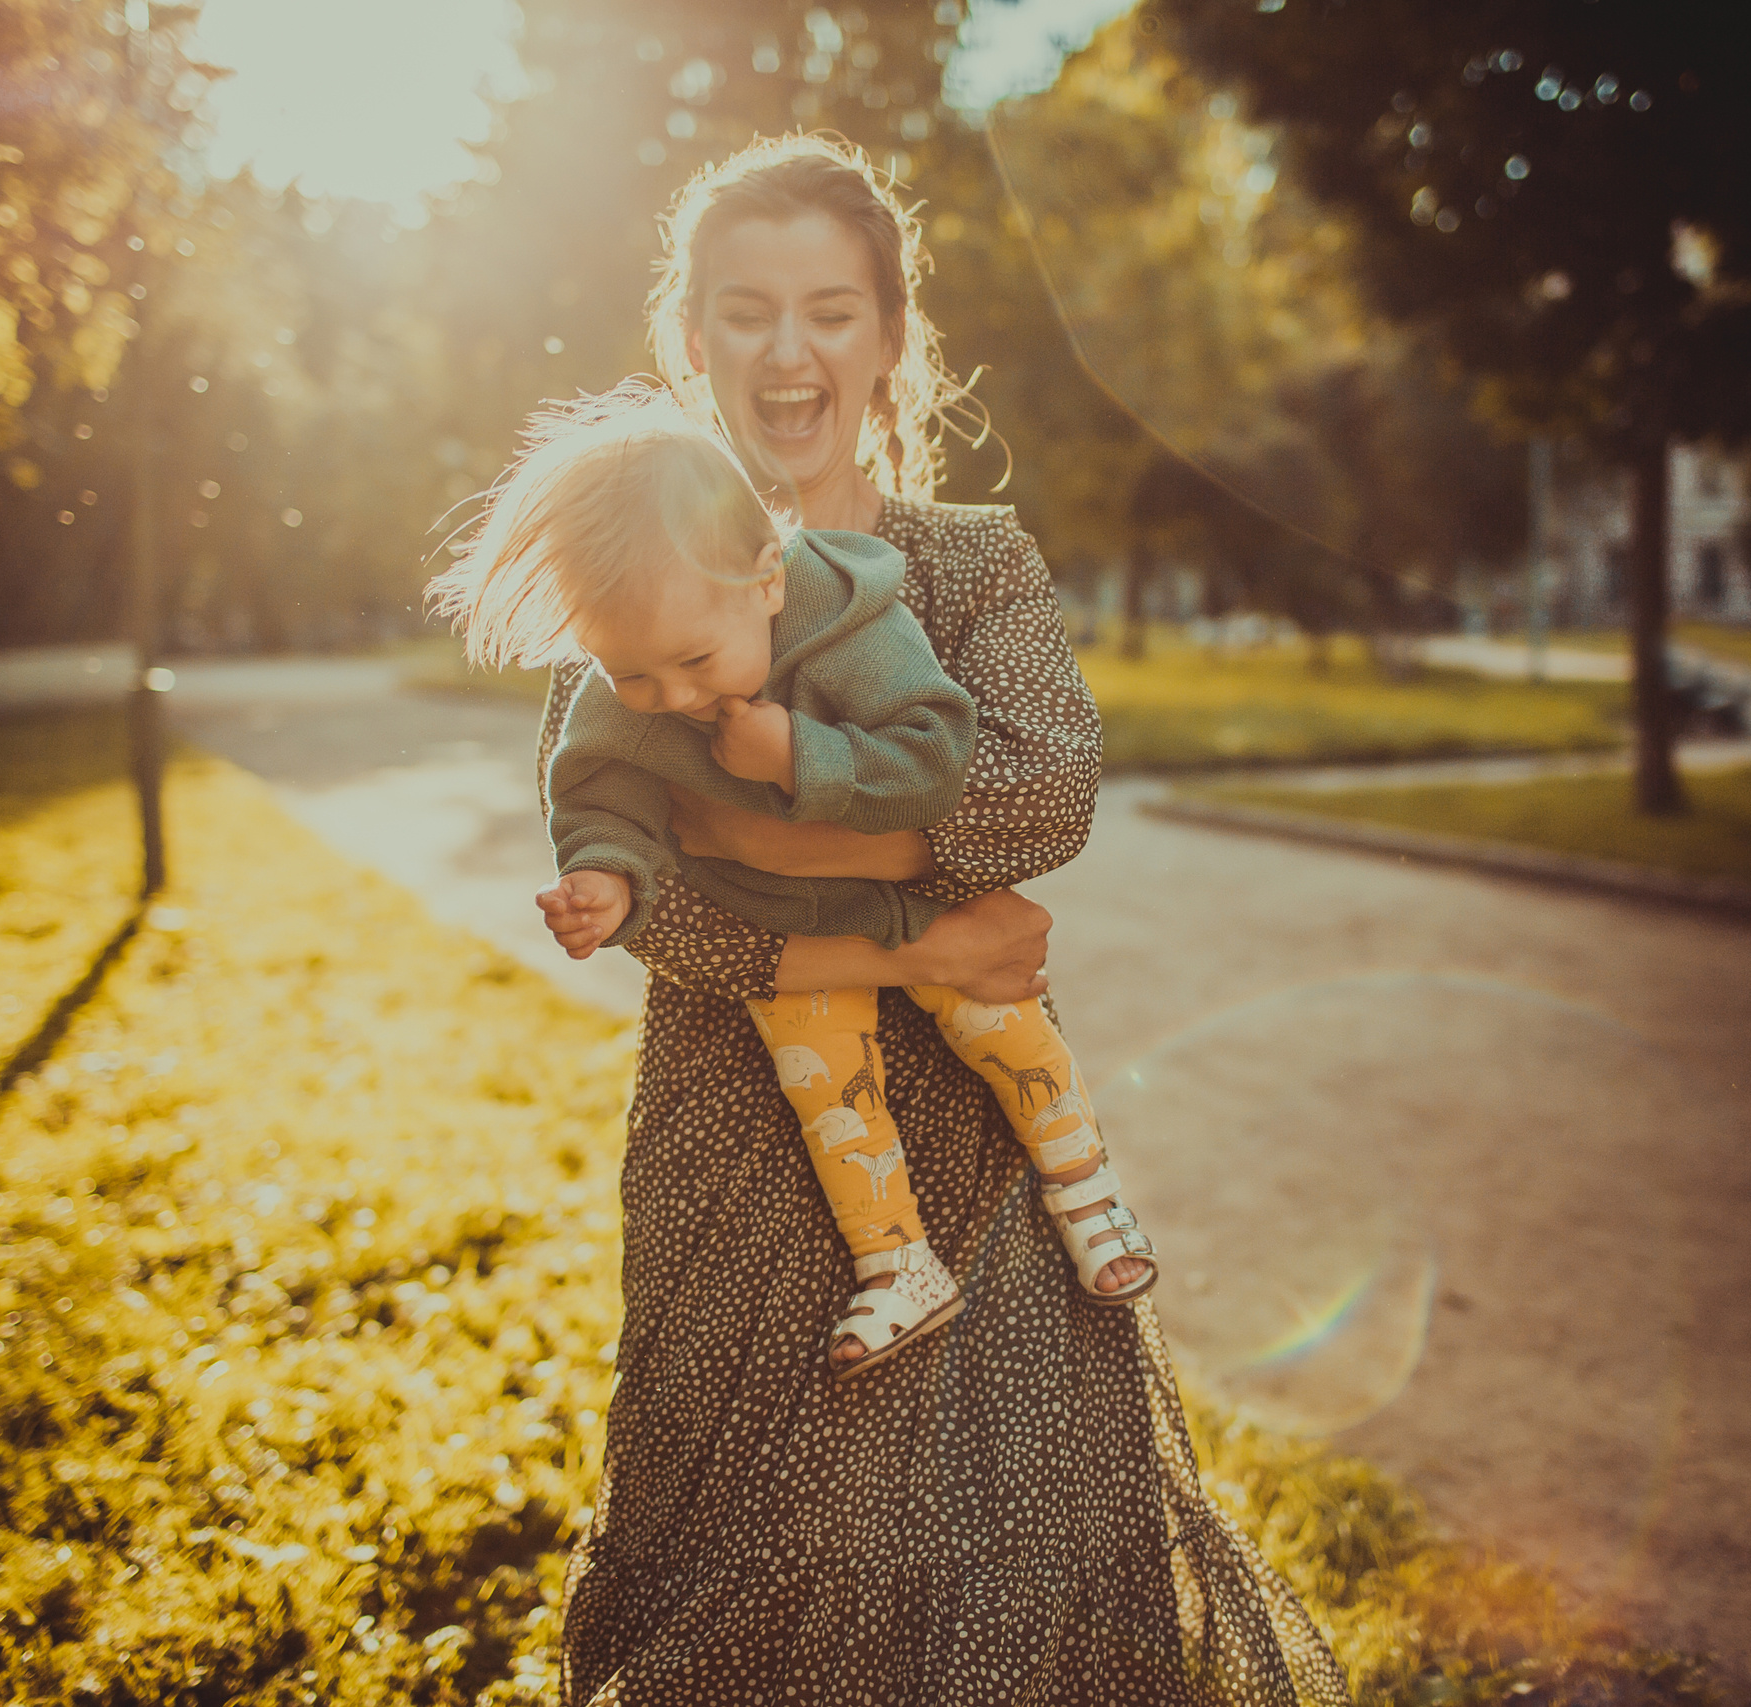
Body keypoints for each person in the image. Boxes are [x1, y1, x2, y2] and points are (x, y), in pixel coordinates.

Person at [542, 133, 1345, 1702]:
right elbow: (676, 924)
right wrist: (927, 935)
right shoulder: (627, 574)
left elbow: (1042, 793)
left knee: (1026, 1569)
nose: (791, 351)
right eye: (747, 310)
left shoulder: (971, 562)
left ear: (892, 337)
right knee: (762, 1576)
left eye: (832, 309)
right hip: (739, 1148)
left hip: (989, 1158)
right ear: (689, 338)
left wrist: (749, 821)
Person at [427, 382, 1154, 1377]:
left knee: (1004, 1026)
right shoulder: (630, 666)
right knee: (826, 1087)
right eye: (633, 677)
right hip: (785, 939)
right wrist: (605, 875)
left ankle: (1085, 1185)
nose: (670, 699)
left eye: (691, 661)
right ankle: (898, 1262)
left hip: (915, 901)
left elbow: (936, 753)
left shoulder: (852, 621)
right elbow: (600, 792)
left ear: (766, 580)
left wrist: (798, 758)